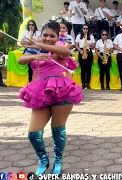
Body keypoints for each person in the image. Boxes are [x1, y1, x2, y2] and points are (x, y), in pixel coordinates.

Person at [18, 20, 84, 176]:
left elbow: (66, 53)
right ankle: (43, 160)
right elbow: (21, 60)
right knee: (33, 134)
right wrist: (35, 55)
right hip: (40, 92)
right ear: (41, 35)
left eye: (52, 36)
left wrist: (40, 45)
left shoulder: (59, 47)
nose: (48, 38)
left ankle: (58, 162)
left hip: (62, 90)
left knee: (58, 130)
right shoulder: (34, 50)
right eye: (45, 35)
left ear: (57, 36)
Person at [75, 24, 96, 89]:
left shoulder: (91, 36)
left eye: (86, 29)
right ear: (82, 29)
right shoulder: (79, 36)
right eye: (84, 28)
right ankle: (83, 83)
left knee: (88, 68)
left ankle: (88, 83)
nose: (85, 30)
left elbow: (93, 46)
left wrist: (89, 43)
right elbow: (76, 45)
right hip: (81, 51)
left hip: (88, 51)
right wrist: (80, 51)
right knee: (83, 68)